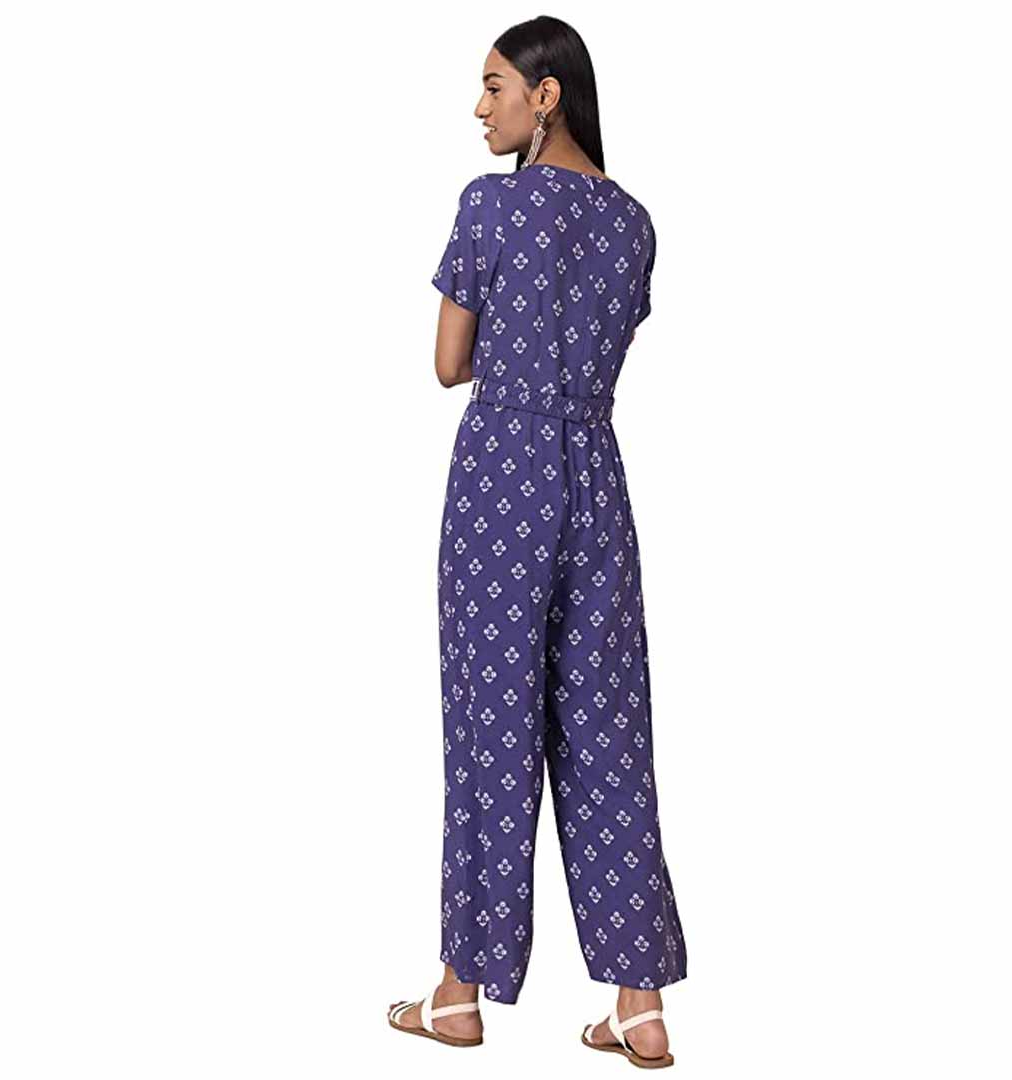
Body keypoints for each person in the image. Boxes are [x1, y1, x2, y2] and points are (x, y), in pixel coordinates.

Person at [387, 17, 687, 1068]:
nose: (481, 108)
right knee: (607, 729)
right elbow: (604, 344)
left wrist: (514, 362)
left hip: (501, 479)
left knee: (492, 725)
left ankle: (459, 992)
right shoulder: (635, 224)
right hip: (596, 476)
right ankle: (640, 1004)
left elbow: (448, 362)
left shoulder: (490, 205)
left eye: (494, 87)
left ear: (545, 95)